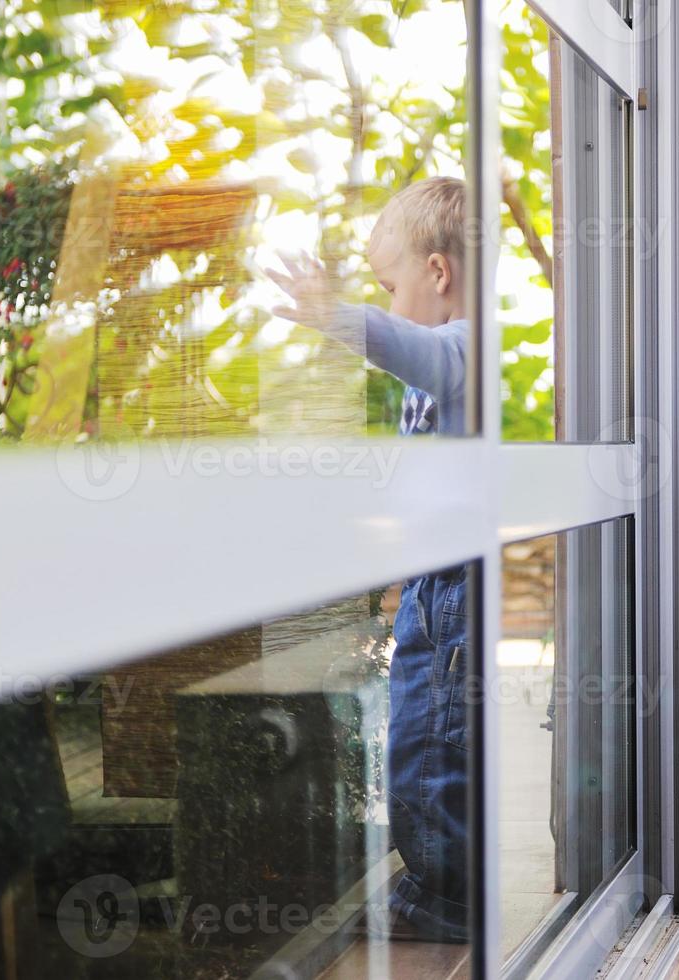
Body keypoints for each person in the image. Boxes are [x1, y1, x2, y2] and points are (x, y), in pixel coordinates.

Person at [268, 175, 472, 943]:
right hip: (436, 581)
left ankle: (445, 894)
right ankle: (442, 879)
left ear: (438, 273)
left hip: (455, 588)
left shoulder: (459, 346)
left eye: (390, 286)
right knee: (428, 729)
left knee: (431, 737)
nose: (387, 303)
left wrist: (334, 316)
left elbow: (416, 351)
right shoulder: (443, 362)